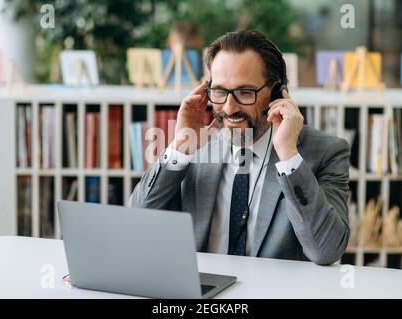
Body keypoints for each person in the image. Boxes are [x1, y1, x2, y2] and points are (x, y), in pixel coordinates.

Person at [129, 30, 350, 265]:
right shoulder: (197, 146)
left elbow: (326, 251)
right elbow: (137, 221)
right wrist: (181, 146)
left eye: (245, 93)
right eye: (220, 92)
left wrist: (288, 157)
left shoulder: (326, 152)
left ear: (276, 92)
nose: (230, 108)